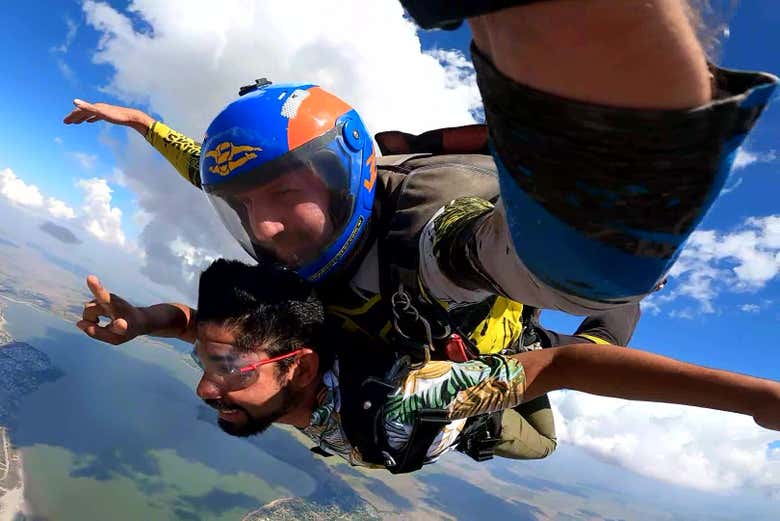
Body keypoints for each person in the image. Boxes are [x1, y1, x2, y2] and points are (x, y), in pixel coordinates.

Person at [64, 0, 773, 457]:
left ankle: (602, 309)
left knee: (578, 320)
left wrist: (606, 231)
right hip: (388, 348)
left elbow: (513, 263)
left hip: (488, 355)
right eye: (242, 205)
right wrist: (139, 123)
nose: (266, 224)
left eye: (282, 191)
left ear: (351, 175)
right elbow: (209, 189)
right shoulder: (294, 242)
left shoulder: (428, 234)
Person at [82, 259, 780, 474]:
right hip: (442, 390)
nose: (207, 385)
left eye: (227, 369)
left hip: (478, 403)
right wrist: (151, 321)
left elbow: (565, 367)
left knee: (550, 422)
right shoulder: (273, 359)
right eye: (207, 360)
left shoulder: (407, 405)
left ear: (296, 366)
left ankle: (621, 283)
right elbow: (206, 335)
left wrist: (758, 397)